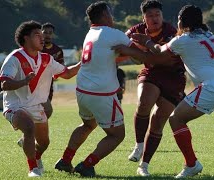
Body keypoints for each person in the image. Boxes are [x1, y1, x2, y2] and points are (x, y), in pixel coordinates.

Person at [112, 4, 214, 178]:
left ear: (181, 21)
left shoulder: (182, 40)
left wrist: (146, 42)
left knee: (176, 119)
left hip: (212, 86)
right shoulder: (209, 35)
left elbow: (158, 51)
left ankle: (191, 164)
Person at [54, 1, 131, 177]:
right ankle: (87, 165)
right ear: (104, 15)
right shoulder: (112, 33)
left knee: (88, 125)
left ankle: (65, 160)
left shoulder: (91, 32)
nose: (112, 17)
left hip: (82, 90)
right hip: (102, 94)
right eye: (110, 13)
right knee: (117, 135)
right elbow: (136, 52)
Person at [0, 20, 80, 177]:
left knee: (44, 143)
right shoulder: (14, 57)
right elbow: (5, 85)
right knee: (29, 128)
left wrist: (84, 62)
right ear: (26, 38)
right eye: (37, 35)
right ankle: (33, 169)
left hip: (36, 106)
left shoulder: (47, 59)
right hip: (15, 106)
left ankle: (36, 156)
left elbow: (67, 73)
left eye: (42, 34)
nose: (42, 38)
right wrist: (24, 81)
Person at [125, 0, 186, 176]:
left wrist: (136, 52)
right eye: (150, 15)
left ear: (162, 16)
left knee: (158, 121)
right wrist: (129, 52)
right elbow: (121, 43)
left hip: (174, 77)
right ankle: (138, 145)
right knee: (144, 103)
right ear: (144, 18)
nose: (154, 18)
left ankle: (143, 165)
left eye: (157, 14)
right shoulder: (135, 30)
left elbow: (163, 58)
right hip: (151, 72)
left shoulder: (171, 32)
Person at [17, 22, 65, 147]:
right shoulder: (36, 47)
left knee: (46, 112)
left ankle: (28, 136)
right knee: (45, 110)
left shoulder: (57, 50)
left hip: (48, 86)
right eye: (45, 32)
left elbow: (60, 69)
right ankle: (29, 135)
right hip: (32, 87)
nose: (48, 35)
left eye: (50, 33)